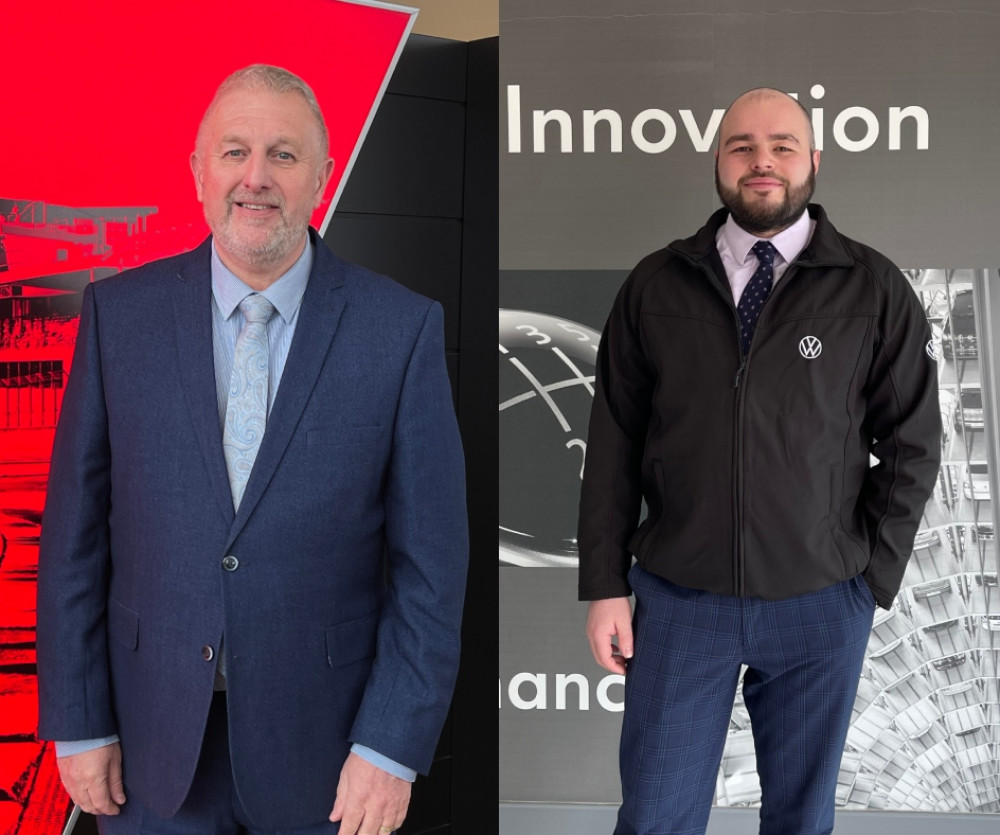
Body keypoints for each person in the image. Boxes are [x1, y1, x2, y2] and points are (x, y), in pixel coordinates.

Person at [36, 64, 468, 835]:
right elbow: (73, 540)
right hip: (146, 749)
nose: (256, 177)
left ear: (322, 178)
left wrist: (392, 747)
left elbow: (430, 570)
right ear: (198, 171)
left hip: (331, 759)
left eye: (284, 154)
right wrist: (78, 720)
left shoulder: (399, 330)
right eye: (234, 152)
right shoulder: (118, 317)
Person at [578, 87, 941, 835]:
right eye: (742, 145)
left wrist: (869, 578)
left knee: (801, 821)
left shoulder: (873, 288)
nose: (762, 161)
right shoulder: (656, 283)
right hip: (682, 602)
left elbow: (912, 441)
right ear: (719, 162)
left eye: (781, 145)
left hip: (820, 603)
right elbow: (613, 438)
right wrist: (607, 582)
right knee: (653, 817)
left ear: (813, 160)